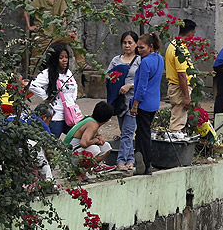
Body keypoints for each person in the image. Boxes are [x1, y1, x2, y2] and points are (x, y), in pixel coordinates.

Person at [106, 31, 140, 173]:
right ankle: (130, 159)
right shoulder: (116, 60)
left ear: (136, 44)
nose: (127, 45)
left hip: (132, 101)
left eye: (130, 42)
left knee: (127, 131)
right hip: (119, 102)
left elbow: (143, 80)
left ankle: (121, 160)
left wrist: (129, 85)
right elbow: (108, 77)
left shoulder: (139, 60)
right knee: (125, 131)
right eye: (125, 42)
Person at [130, 32, 163, 176]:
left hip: (143, 103)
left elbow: (142, 87)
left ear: (150, 47)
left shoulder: (145, 62)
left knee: (143, 134)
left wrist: (135, 104)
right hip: (154, 102)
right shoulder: (159, 59)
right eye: (138, 48)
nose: (139, 50)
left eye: (142, 48)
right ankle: (142, 159)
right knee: (143, 131)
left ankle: (145, 162)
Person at [29, 44, 78, 138]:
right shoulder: (47, 73)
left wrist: (72, 100)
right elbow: (33, 85)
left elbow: (75, 86)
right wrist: (46, 97)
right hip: (56, 117)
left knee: (77, 137)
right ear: (55, 59)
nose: (65, 60)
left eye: (66, 57)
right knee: (52, 142)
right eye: (61, 58)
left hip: (70, 115)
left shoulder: (68, 73)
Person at [63, 100, 116, 176]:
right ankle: (78, 174)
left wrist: (100, 138)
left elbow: (99, 138)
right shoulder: (92, 124)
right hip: (68, 160)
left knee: (106, 147)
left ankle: (86, 170)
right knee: (94, 149)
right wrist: (96, 140)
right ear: (106, 119)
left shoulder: (91, 120)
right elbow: (84, 143)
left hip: (73, 156)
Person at [165, 19, 195, 133]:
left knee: (178, 117)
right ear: (190, 33)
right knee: (177, 122)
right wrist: (186, 97)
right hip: (179, 88)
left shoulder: (173, 44)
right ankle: (174, 146)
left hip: (176, 87)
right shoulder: (180, 49)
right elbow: (181, 75)